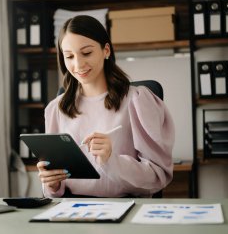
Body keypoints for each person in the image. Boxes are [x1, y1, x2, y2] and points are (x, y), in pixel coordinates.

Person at [37, 15, 175, 198]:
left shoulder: (137, 100)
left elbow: (158, 175)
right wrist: (52, 184)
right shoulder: (56, 109)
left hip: (126, 206)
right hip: (73, 212)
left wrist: (112, 160)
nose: (78, 64)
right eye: (69, 56)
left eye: (86, 53)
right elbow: (55, 191)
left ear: (106, 50)